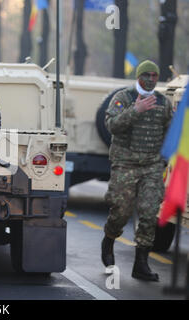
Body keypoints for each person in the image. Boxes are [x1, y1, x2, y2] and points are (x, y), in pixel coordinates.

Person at [101, 60, 173, 282]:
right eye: (146, 75)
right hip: (125, 164)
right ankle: (109, 239)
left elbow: (170, 133)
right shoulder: (124, 98)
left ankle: (141, 263)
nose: (151, 79)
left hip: (151, 166)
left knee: (150, 213)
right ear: (139, 77)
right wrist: (136, 110)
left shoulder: (163, 102)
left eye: (154, 75)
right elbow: (112, 125)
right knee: (121, 211)